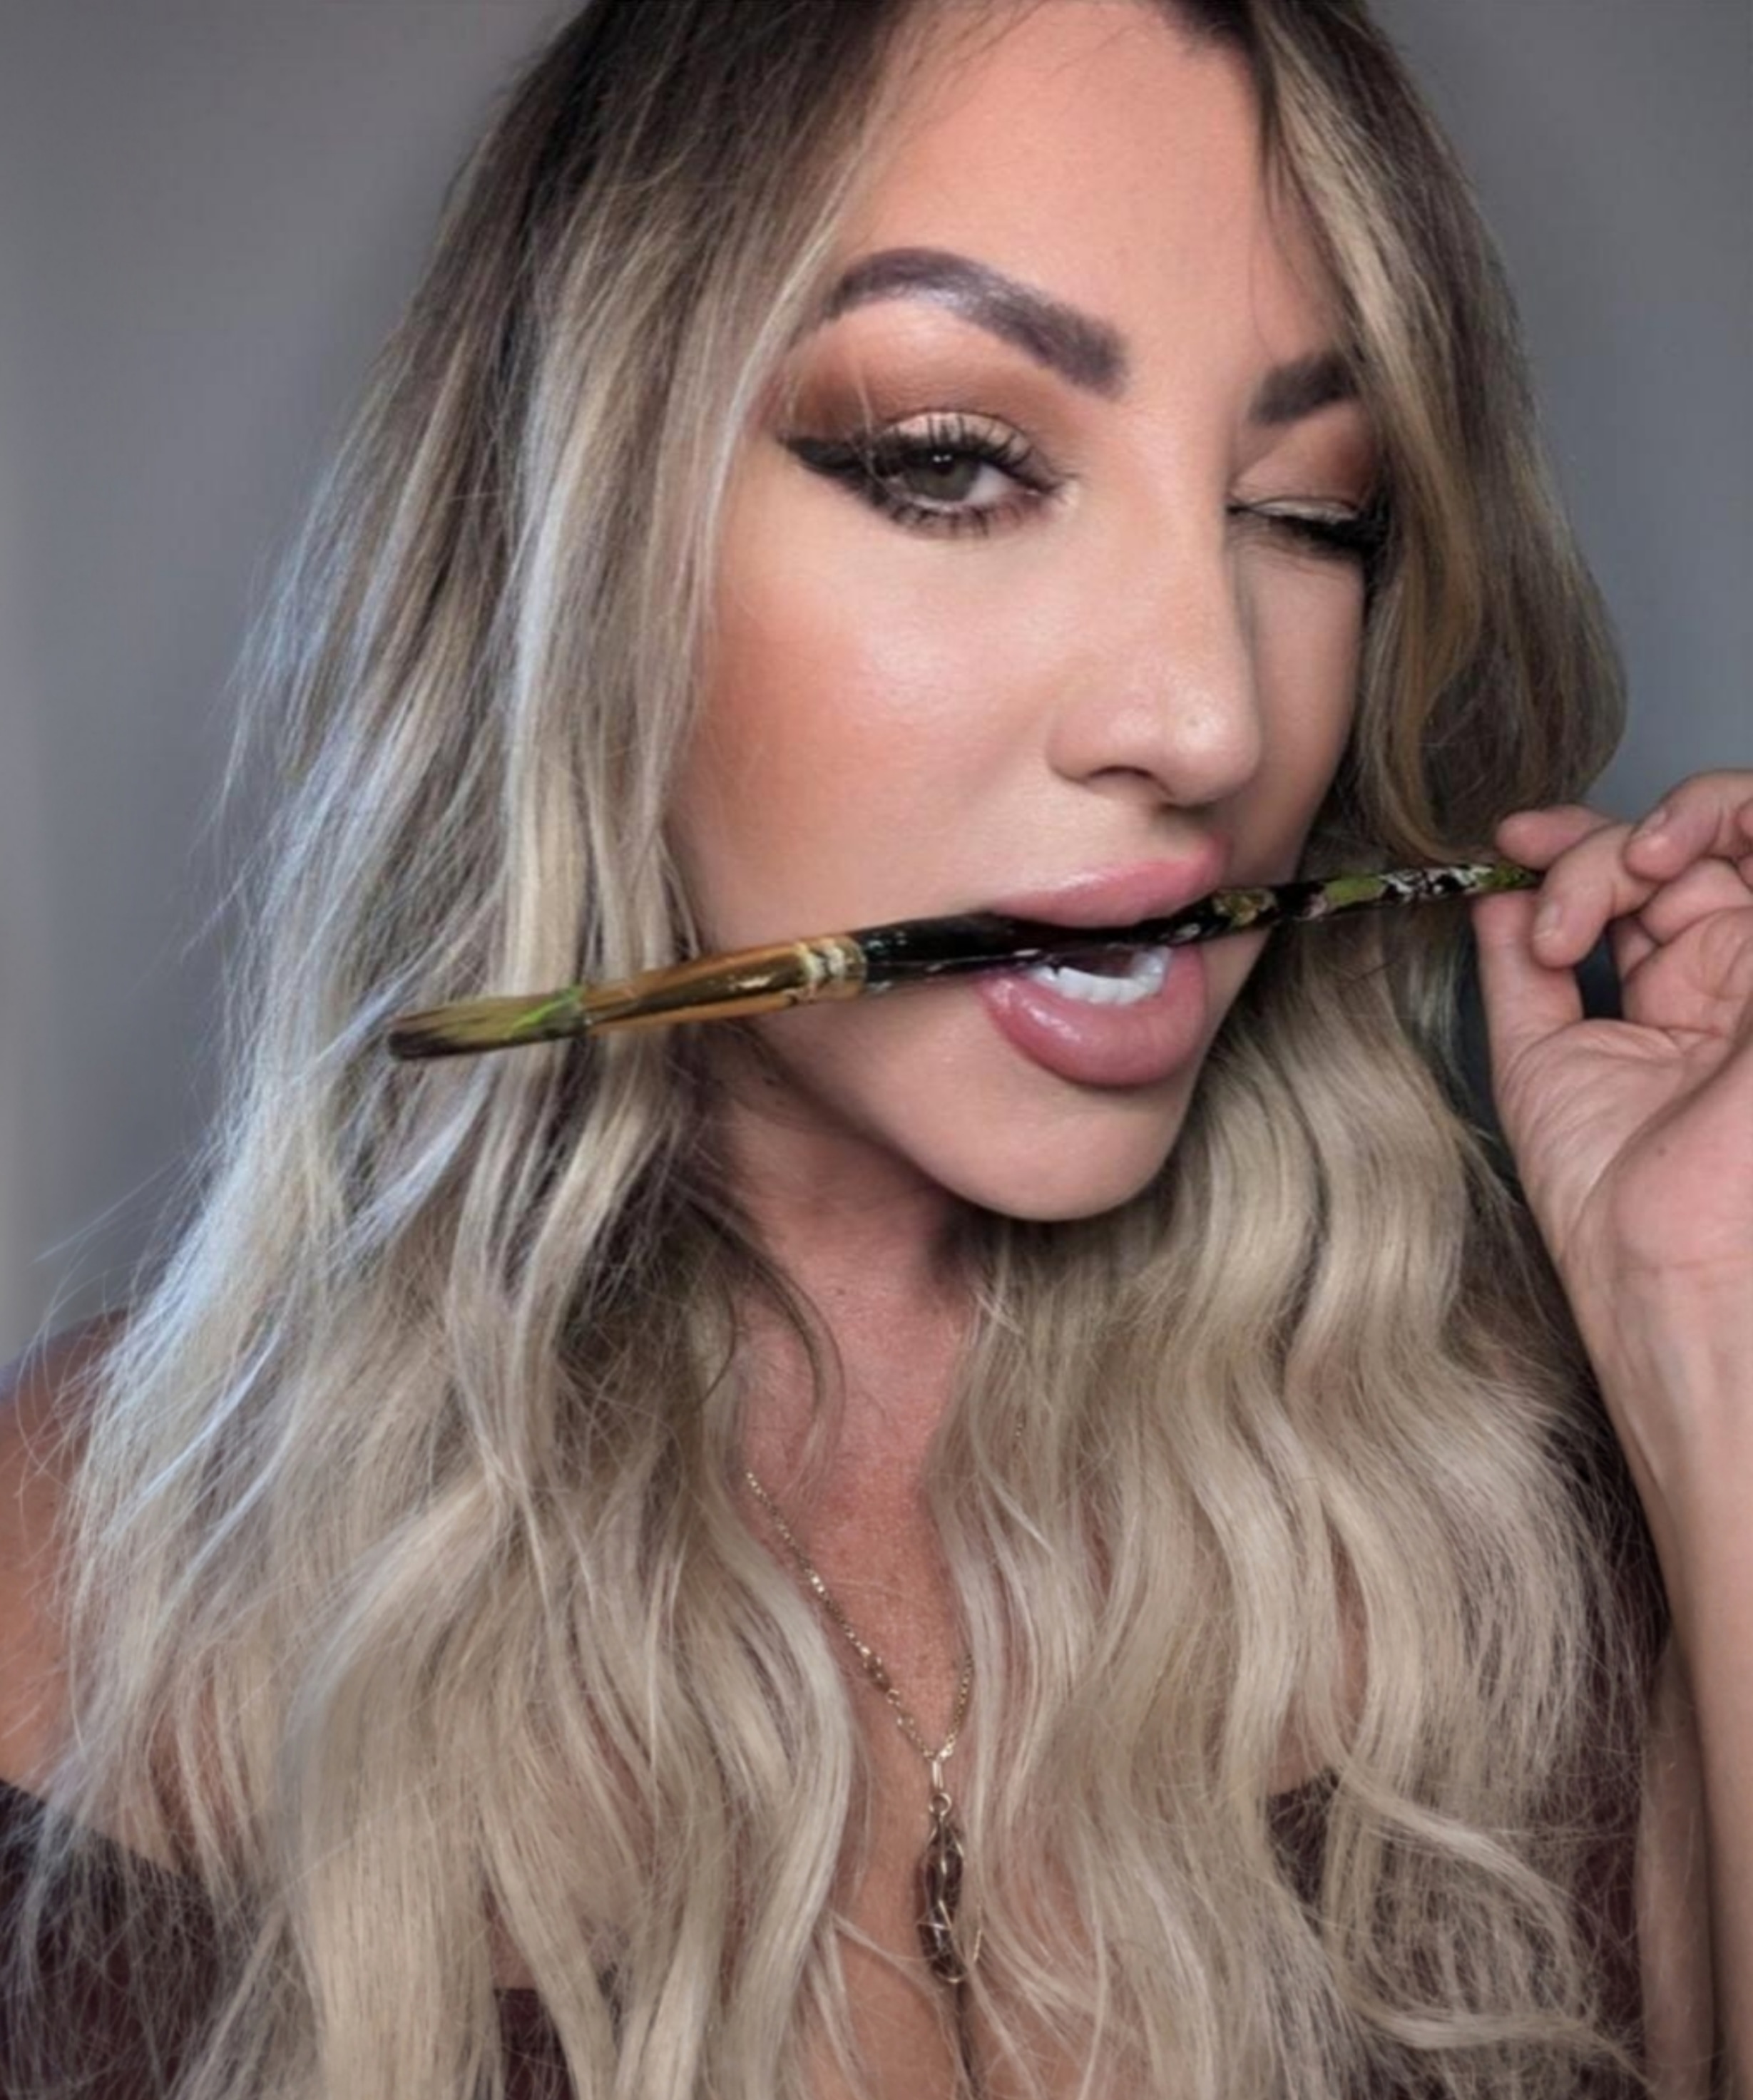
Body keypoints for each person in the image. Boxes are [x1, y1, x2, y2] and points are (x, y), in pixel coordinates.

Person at [1, 0, 1747, 2094]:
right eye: (946, 462)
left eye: (1311, 514)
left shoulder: (1553, 1504)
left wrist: (1707, 1317)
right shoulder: (86, 1580)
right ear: (577, 539)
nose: (1210, 720)